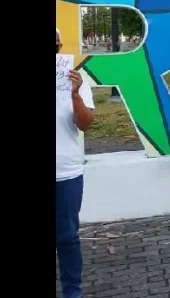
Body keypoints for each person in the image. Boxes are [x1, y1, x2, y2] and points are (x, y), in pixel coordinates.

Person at [56, 28, 96, 298]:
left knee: (67, 237)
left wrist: (75, 95)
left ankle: (72, 291)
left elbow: (85, 124)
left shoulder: (75, 80)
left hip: (65, 172)